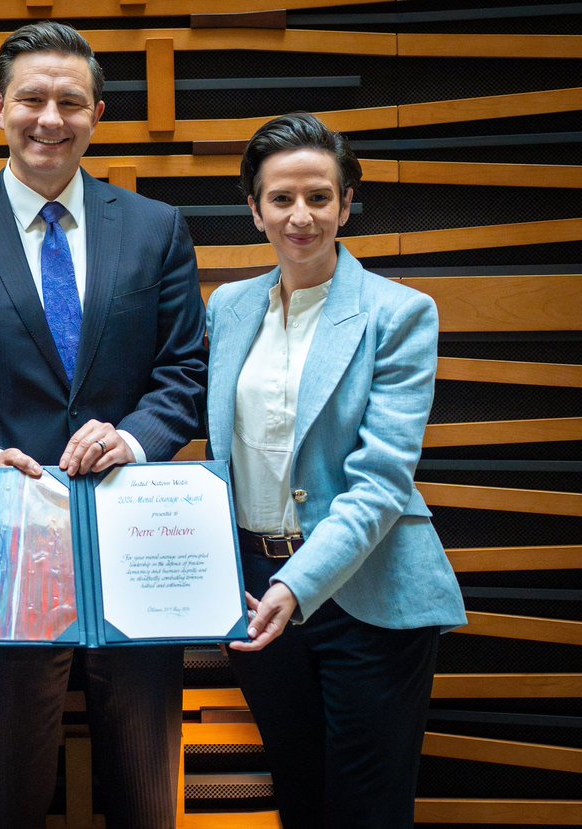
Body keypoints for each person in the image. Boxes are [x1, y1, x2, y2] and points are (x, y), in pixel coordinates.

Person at [0, 22, 207, 829]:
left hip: (139, 550)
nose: (49, 118)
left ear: (97, 113)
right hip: (5, 547)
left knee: (146, 791)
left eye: (71, 101)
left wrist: (132, 438)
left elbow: (183, 371)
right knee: (10, 790)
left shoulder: (157, 227)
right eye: (31, 98)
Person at [206, 112, 467, 828]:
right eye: (282, 198)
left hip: (370, 597)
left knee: (366, 808)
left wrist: (299, 582)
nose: (302, 216)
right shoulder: (227, 308)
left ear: (346, 203)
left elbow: (382, 478)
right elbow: (215, 454)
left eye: (320, 197)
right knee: (297, 791)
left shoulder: (401, 313)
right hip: (257, 594)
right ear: (254, 208)